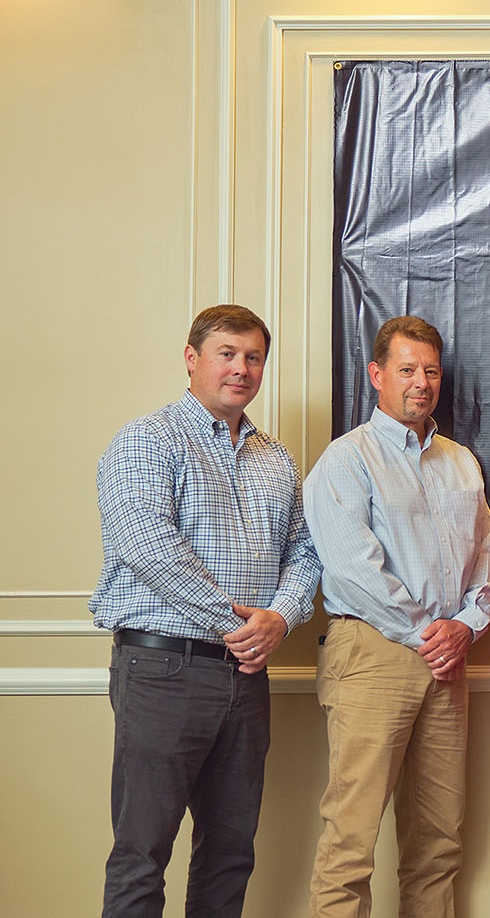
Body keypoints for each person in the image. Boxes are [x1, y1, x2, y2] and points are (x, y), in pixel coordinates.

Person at [91, 303, 321, 917]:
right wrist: (237, 623)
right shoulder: (147, 439)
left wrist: (281, 617)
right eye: (226, 353)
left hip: (246, 677)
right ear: (191, 359)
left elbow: (305, 553)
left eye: (253, 357)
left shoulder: (275, 460)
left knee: (230, 850)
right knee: (143, 851)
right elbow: (146, 545)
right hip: (164, 670)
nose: (241, 368)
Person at [304, 315, 490, 918]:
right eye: (408, 370)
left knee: (439, 843)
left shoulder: (461, 462)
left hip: (448, 661)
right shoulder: (346, 460)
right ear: (377, 375)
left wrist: (465, 625)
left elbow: (486, 561)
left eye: (431, 371)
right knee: (351, 842)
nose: (422, 382)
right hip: (373, 655)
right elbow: (351, 567)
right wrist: (427, 632)